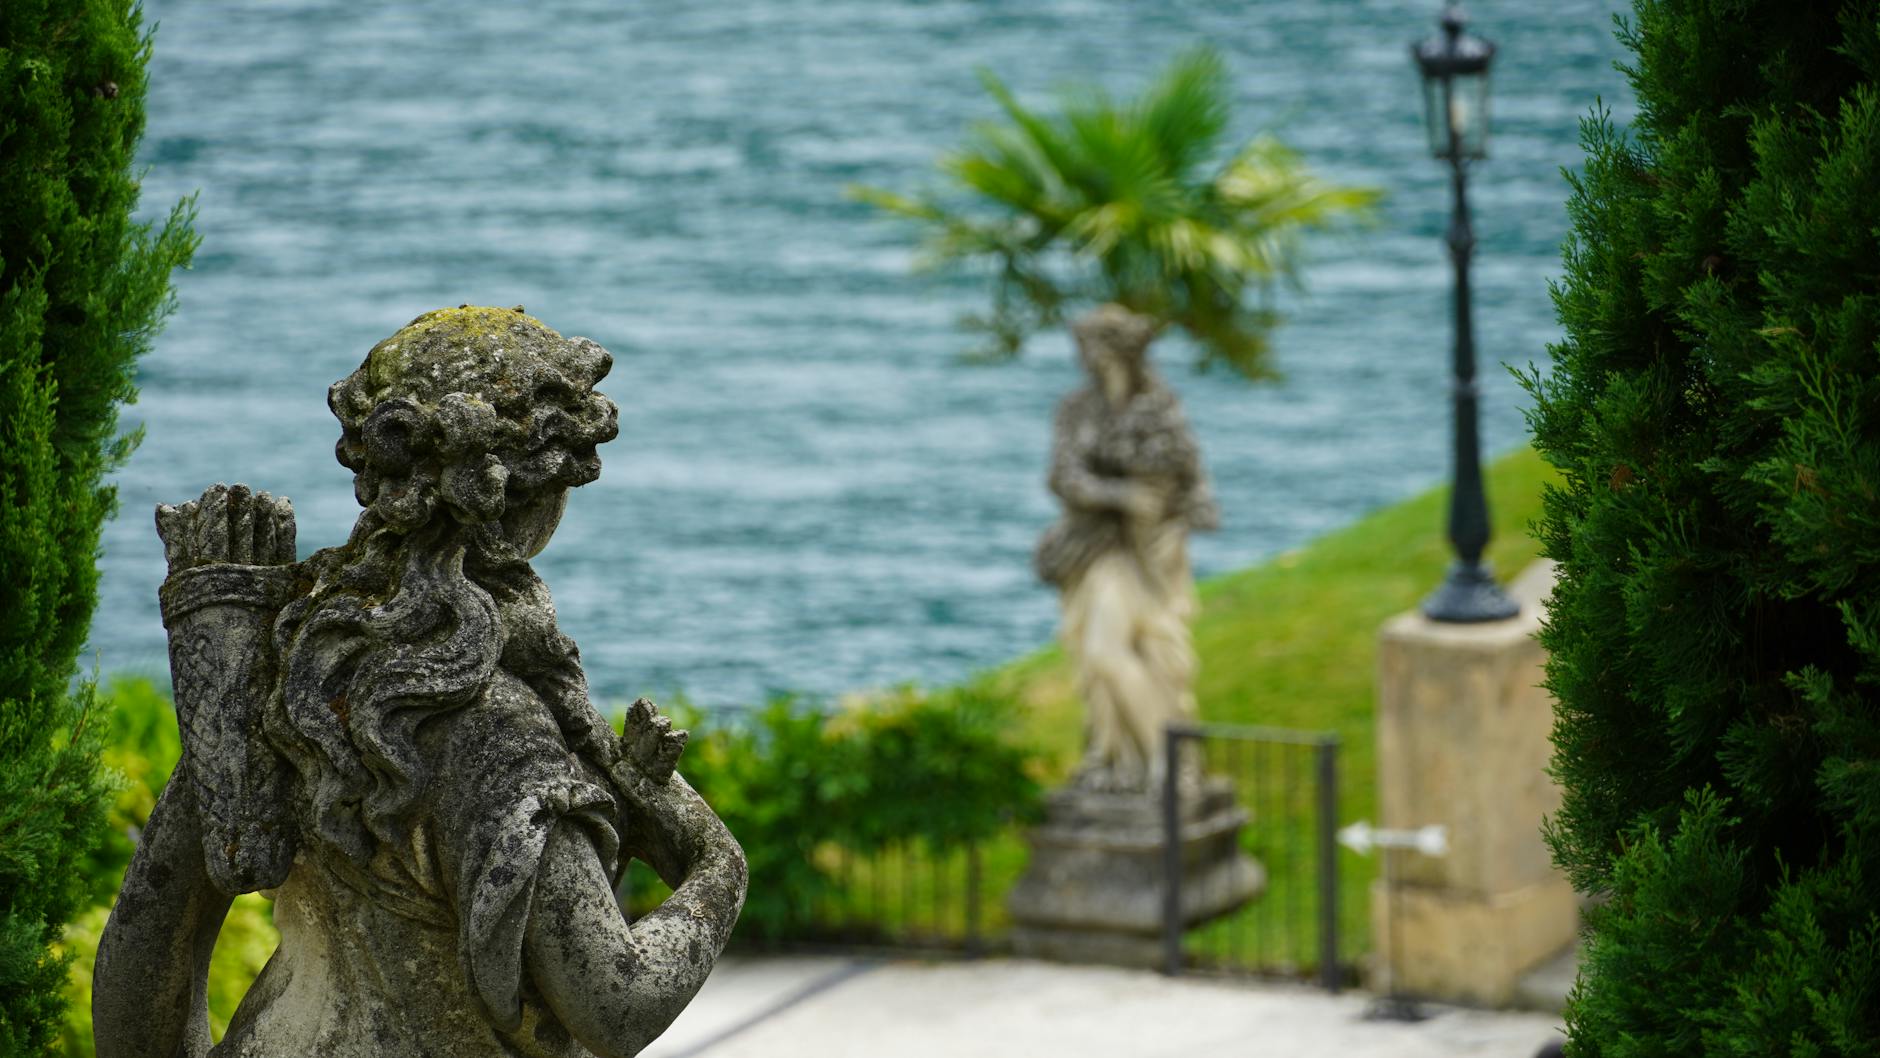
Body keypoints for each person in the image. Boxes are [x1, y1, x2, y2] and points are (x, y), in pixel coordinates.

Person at [94, 307, 746, 1058]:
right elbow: (616, 1004)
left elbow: (137, 982)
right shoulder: (500, 737)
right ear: (537, 497)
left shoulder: (298, 668)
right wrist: (718, 864)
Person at [1035, 304, 1219, 793]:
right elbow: (1063, 476)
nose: (1085, 357)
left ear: (1118, 350)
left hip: (1150, 550)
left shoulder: (1158, 408)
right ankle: (1121, 756)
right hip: (1095, 548)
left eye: (1093, 346)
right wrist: (1120, 495)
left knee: (1148, 650)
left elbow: (1192, 481)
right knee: (1099, 655)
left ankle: (1169, 761)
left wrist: (1173, 521)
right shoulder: (1077, 408)